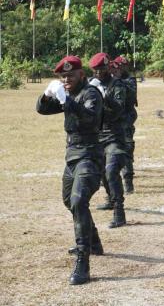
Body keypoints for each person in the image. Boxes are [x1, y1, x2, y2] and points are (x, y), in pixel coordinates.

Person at [36, 56, 104, 285]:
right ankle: (93, 240)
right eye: (63, 76)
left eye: (71, 75)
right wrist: (46, 95)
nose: (66, 79)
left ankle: (83, 262)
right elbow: (43, 110)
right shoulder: (68, 92)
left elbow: (91, 120)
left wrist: (68, 102)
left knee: (78, 201)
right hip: (72, 157)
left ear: (81, 75)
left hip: (90, 157)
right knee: (69, 200)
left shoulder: (91, 94)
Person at [90, 53, 128, 228]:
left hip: (115, 135)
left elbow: (119, 109)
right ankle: (111, 198)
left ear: (107, 67)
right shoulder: (91, 85)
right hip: (97, 135)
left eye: (101, 70)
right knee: (101, 173)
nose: (98, 73)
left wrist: (104, 97)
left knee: (111, 170)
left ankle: (119, 212)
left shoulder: (117, 85)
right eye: (95, 71)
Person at [110, 56, 138, 194]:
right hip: (111, 119)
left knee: (126, 148)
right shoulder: (110, 79)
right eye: (117, 66)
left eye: (122, 66)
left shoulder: (130, 80)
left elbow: (130, 94)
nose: (119, 69)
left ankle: (128, 182)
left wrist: (116, 80)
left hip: (126, 117)